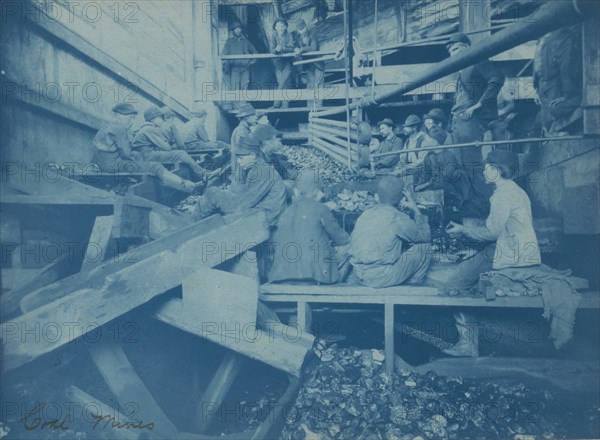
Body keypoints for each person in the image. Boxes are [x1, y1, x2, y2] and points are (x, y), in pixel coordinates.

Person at [444, 150, 541, 356]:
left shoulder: (502, 194)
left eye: (487, 167)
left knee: (454, 284)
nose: (484, 171)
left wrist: (463, 230)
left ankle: (467, 344)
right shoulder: (514, 190)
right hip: (519, 248)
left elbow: (492, 232)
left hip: (509, 252)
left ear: (497, 170)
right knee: (470, 265)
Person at [446, 33, 504, 217]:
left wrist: (478, 105)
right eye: (450, 51)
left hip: (470, 121)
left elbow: (497, 78)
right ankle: (473, 208)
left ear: (466, 46)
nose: (452, 54)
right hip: (458, 121)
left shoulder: (478, 59)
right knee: (462, 166)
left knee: (473, 165)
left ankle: (486, 209)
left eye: (456, 49)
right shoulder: (462, 70)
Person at [93, 104, 202, 193]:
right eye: (130, 118)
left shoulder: (107, 127)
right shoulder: (119, 128)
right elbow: (127, 154)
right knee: (155, 166)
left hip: (104, 164)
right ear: (119, 116)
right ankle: (187, 187)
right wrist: (143, 165)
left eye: (133, 119)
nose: (132, 122)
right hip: (113, 165)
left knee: (143, 162)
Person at [348, 176, 432, 288]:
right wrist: (415, 209)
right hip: (382, 277)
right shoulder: (397, 217)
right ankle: (411, 289)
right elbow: (425, 236)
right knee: (424, 248)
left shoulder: (365, 214)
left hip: (359, 274)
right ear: (402, 197)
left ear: (377, 196)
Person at [269, 172, 350, 284]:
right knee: (349, 248)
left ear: (297, 192)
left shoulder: (286, 212)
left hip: (280, 276)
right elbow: (342, 239)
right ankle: (337, 288)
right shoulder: (320, 208)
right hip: (313, 277)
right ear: (318, 192)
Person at [193, 134, 287, 227]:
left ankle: (192, 227)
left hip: (267, 217)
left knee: (212, 194)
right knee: (214, 196)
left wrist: (222, 202)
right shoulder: (257, 167)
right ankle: (195, 225)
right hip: (263, 211)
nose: (238, 161)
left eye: (241, 158)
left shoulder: (263, 171)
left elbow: (244, 205)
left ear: (252, 155)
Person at [131, 106, 212, 180]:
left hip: (143, 156)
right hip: (148, 156)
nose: (162, 120)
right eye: (160, 118)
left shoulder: (145, 128)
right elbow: (167, 148)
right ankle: (203, 173)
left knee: (177, 153)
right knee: (180, 154)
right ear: (153, 119)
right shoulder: (150, 129)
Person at [533, 24, 583, 135]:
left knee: (553, 116)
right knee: (545, 121)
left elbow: (565, 67)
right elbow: (537, 66)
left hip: (553, 85)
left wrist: (567, 95)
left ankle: (556, 137)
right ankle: (550, 138)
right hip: (543, 85)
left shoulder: (558, 37)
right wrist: (536, 88)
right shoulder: (542, 40)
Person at [416, 126, 469, 210]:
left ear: (435, 141)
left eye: (427, 140)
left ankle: (461, 205)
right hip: (433, 187)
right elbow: (424, 178)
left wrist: (428, 184)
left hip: (448, 190)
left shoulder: (449, 156)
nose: (425, 142)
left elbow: (445, 178)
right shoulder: (428, 157)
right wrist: (424, 185)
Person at [292, 19, 325, 107]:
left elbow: (314, 47)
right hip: (308, 65)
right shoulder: (297, 37)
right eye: (299, 30)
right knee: (310, 85)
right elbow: (295, 45)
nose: (301, 31)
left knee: (318, 85)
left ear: (305, 26)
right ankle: (310, 108)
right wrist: (295, 48)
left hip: (318, 64)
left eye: (302, 28)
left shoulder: (312, 34)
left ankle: (319, 107)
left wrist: (301, 50)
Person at [221, 20, 257, 92]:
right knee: (235, 87)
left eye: (239, 28)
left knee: (244, 86)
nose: (238, 30)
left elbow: (255, 52)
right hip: (235, 68)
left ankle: (243, 102)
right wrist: (226, 65)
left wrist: (252, 61)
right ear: (233, 30)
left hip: (245, 67)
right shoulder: (229, 41)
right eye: (236, 29)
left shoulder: (246, 41)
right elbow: (224, 54)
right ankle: (237, 103)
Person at [270, 17, 297, 108]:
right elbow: (271, 50)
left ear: (285, 27)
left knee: (282, 82)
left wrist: (283, 49)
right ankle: (285, 105)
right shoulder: (273, 36)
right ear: (275, 28)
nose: (280, 28)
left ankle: (276, 104)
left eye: (282, 26)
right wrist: (276, 50)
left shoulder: (289, 35)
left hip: (287, 63)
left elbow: (292, 48)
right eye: (278, 26)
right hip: (278, 64)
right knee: (283, 83)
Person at [230, 103, 258, 180]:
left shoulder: (245, 130)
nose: (256, 118)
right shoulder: (241, 131)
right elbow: (243, 154)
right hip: (242, 172)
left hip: (243, 168)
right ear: (246, 117)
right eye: (253, 115)